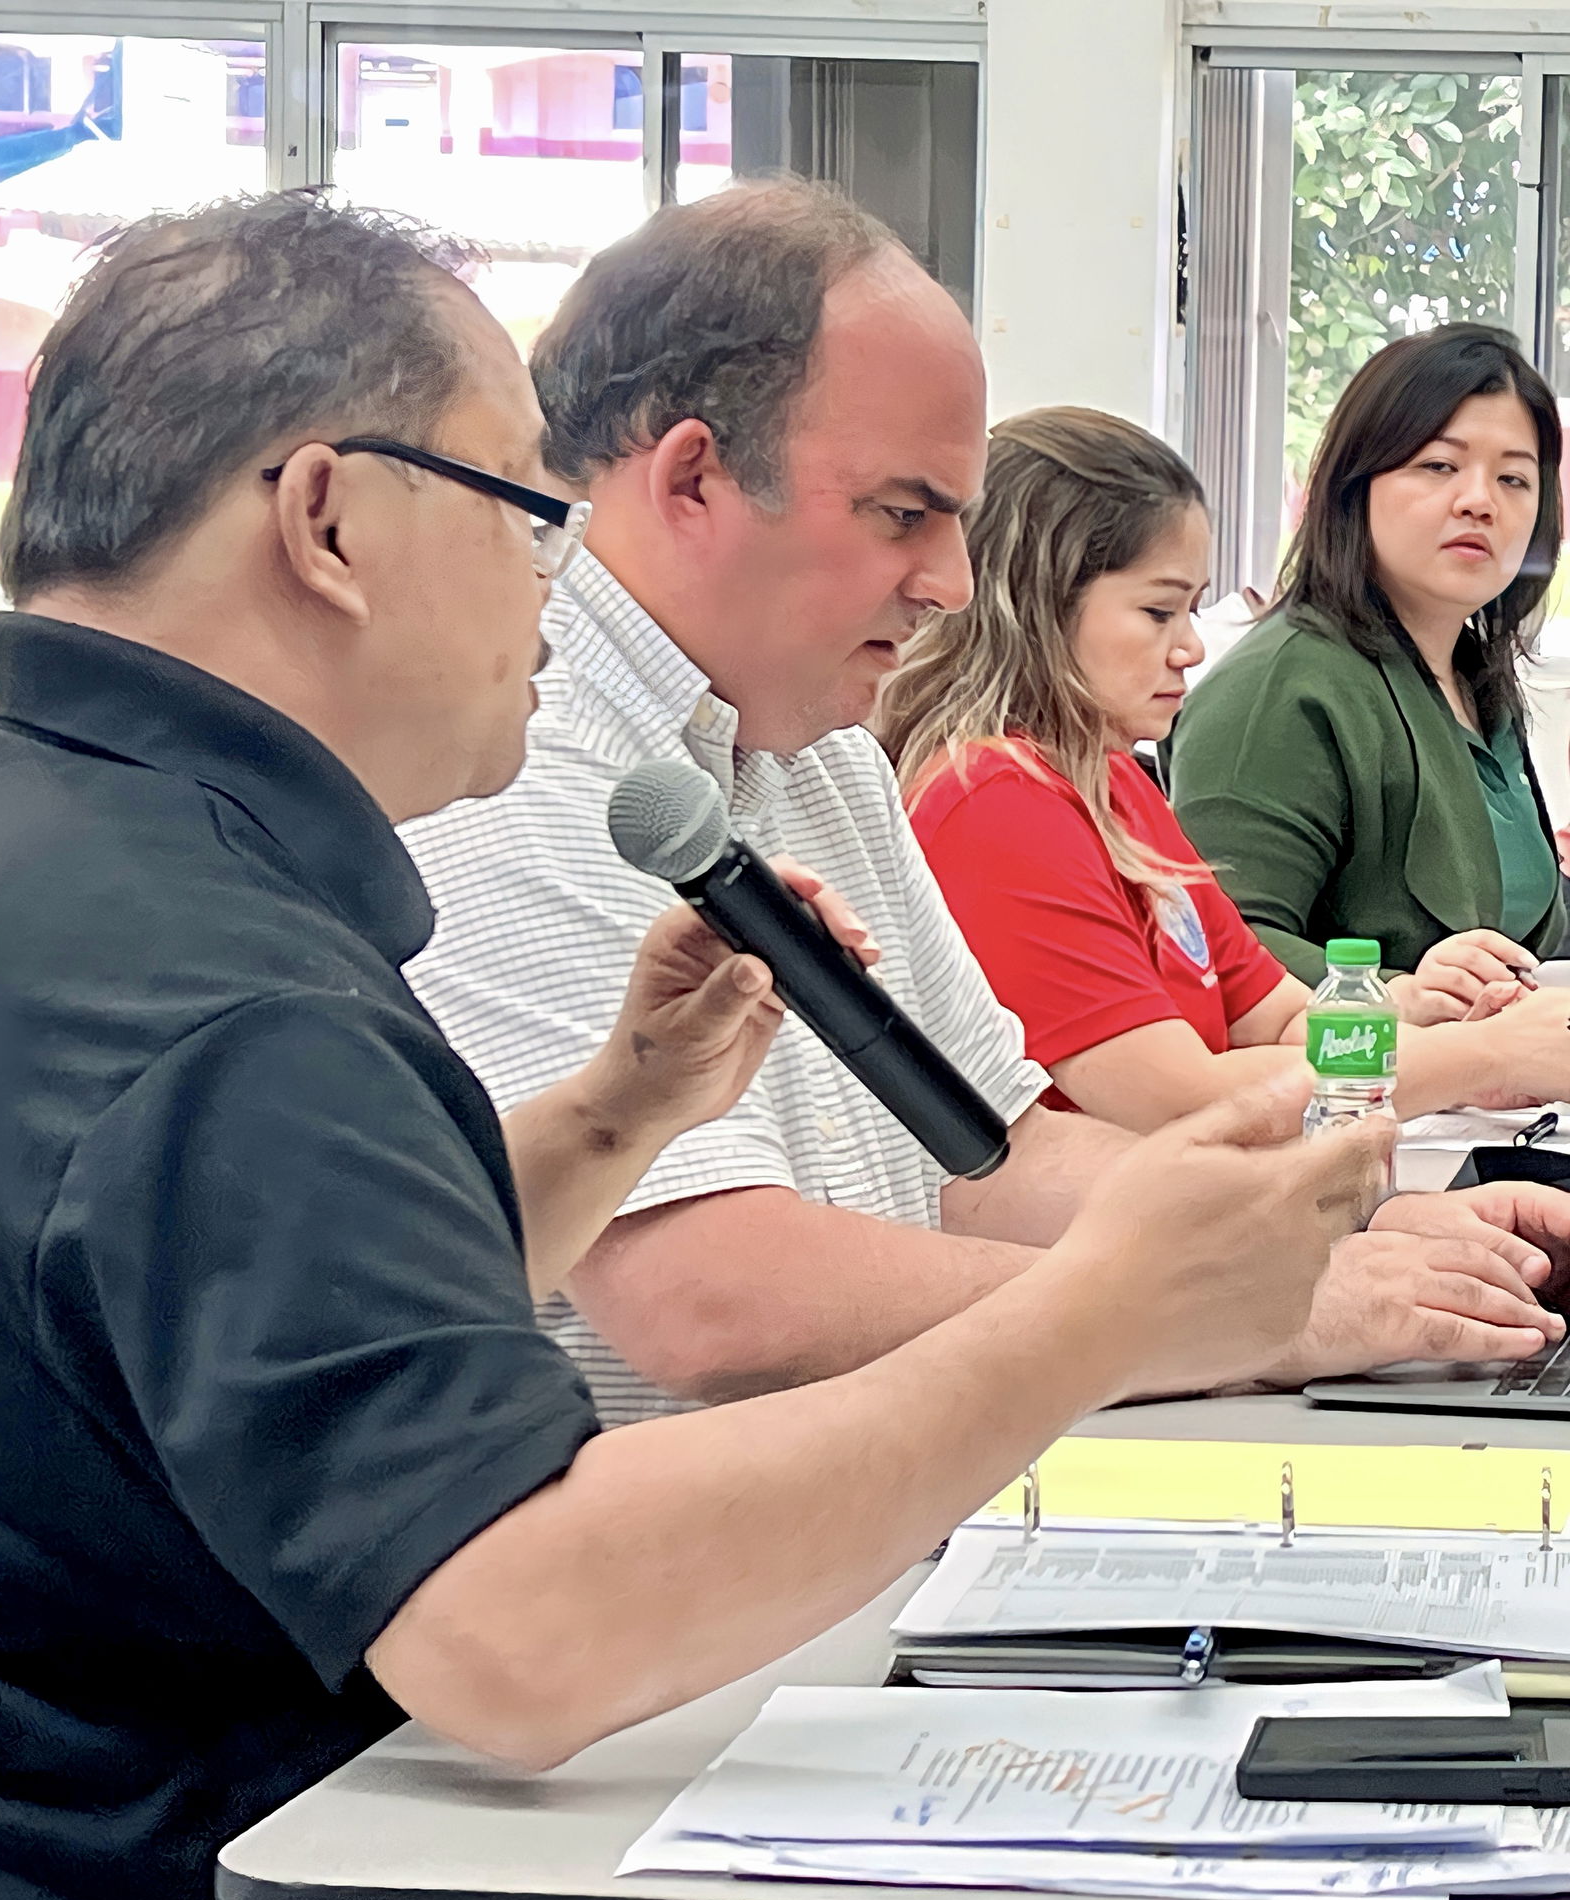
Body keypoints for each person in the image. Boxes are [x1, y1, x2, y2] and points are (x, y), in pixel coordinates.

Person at [0, 191, 1395, 1900]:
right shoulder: (227, 991)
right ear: (330, 523)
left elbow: (245, 1326)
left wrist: (608, 1121)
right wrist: (1109, 1314)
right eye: (519, 516)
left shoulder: (56, 843)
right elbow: (522, 1630)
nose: (553, 586)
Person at [401, 179, 1567, 1431]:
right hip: (702, 1579)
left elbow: (999, 1153)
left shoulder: (820, 756)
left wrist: (1344, 1236)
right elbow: (711, 1300)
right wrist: (1245, 1310)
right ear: (692, 479)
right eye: (903, 513)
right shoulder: (522, 762)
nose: (954, 584)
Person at [879, 405, 1570, 1136]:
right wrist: (1480, 1059)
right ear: (1037, 606)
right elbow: (1180, 1097)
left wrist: (1411, 1020)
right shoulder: (994, 803)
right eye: (1157, 612)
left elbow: (1277, 1016)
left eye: (1191, 612)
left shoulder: (1113, 785)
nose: (1191, 649)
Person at [1168, 322, 1567, 1023]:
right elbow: (1218, 954)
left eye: (1514, 478)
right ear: (1357, 484)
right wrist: (1393, 991)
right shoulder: (1284, 687)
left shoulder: (1475, 678)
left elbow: (1537, 927)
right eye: (1439, 466)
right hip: (1352, 1108)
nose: (1481, 500)